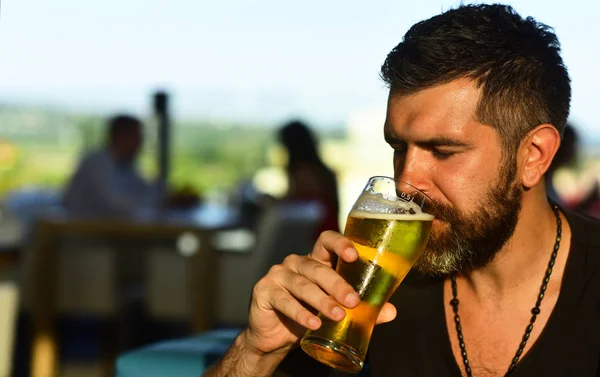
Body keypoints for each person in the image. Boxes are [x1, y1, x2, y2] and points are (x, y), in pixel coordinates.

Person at [205, 4, 600, 377]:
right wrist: (257, 352)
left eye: (443, 151)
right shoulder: (374, 282)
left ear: (533, 155)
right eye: (398, 148)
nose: (406, 183)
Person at [63, 114, 163, 218]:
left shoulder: (125, 165)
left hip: (105, 229)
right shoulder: (97, 163)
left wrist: (162, 197)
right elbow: (114, 204)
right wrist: (155, 201)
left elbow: (145, 190)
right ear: (121, 136)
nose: (140, 144)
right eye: (137, 137)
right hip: (80, 231)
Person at [278, 120, 340, 234]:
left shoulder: (303, 171)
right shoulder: (321, 169)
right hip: (330, 234)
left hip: (316, 237)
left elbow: (298, 203)